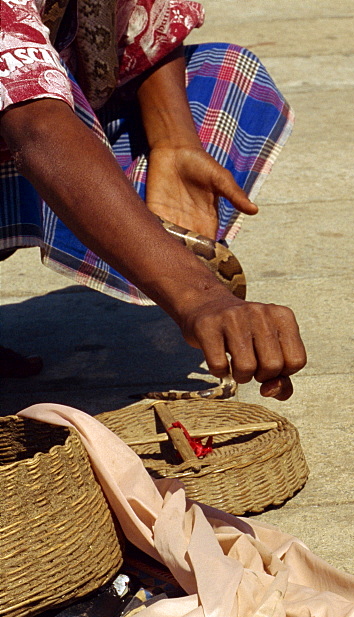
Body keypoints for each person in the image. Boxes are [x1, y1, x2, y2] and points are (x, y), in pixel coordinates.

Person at [0, 0, 305, 399]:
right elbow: (35, 125)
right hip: (31, 132)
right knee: (38, 123)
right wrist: (198, 295)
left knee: (224, 71)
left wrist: (174, 142)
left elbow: (149, 27)